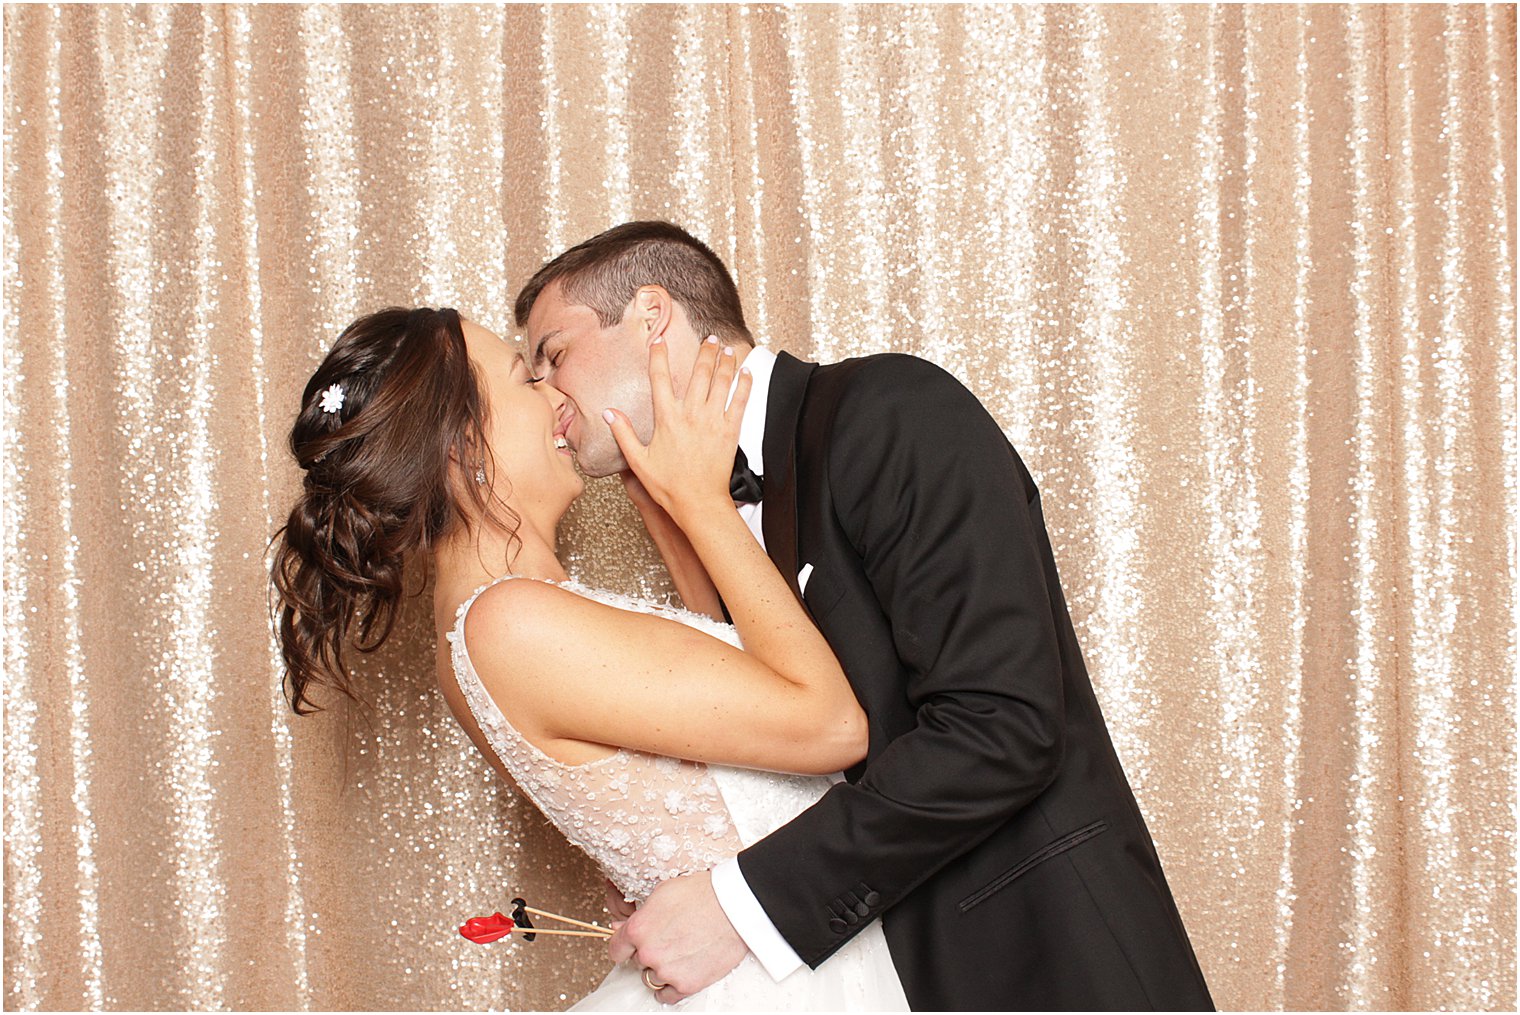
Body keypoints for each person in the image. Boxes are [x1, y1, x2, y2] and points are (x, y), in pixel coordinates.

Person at [515, 220, 1216, 1010]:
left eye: (552, 354)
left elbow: (1002, 724)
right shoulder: (697, 513)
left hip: (1044, 962)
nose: (543, 392)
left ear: (651, 316)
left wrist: (740, 904)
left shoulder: (891, 411)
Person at [269, 305, 912, 1010]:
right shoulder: (509, 621)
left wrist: (660, 502)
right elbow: (831, 727)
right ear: (462, 447)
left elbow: (716, 706)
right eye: (524, 379)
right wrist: (703, 504)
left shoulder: (499, 611)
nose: (554, 395)